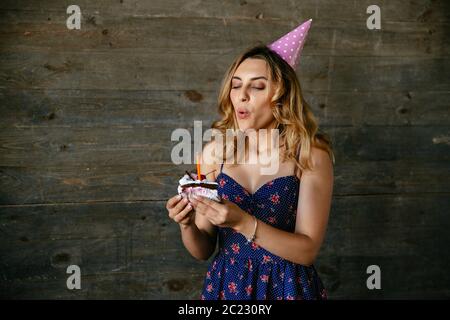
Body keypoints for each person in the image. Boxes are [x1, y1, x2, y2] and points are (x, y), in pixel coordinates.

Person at [166, 19, 334, 300]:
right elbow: (203, 250)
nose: (241, 96)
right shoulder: (214, 155)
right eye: (235, 86)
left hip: (288, 288)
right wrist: (187, 224)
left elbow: (307, 251)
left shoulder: (310, 155)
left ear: (281, 96)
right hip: (228, 286)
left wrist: (243, 222)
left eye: (256, 87)